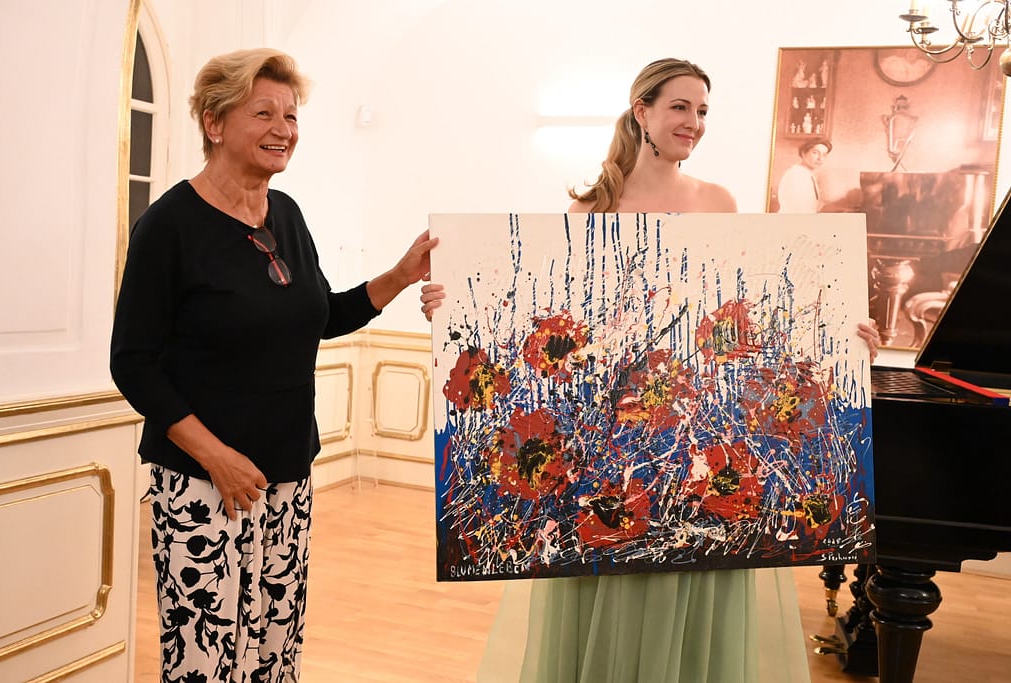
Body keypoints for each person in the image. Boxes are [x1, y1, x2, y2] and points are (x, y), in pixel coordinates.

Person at [421, 58, 879, 683]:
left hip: (702, 429)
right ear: (642, 111)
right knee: (615, 577)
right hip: (614, 438)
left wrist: (843, 340)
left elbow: (748, 315)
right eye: (680, 107)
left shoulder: (719, 202)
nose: (694, 123)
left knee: (694, 576)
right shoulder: (590, 208)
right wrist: (450, 311)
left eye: (703, 111)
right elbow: (551, 323)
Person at [110, 48, 436, 682]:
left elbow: (322, 315)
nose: (283, 128)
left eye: (291, 115)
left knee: (274, 656)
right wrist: (217, 458)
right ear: (214, 122)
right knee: (205, 663)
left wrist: (402, 274)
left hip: (286, 475)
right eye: (264, 113)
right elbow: (133, 364)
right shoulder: (169, 226)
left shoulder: (285, 213)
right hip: (204, 484)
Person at [776, 137, 832, 213]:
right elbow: (797, 210)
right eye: (815, 153)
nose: (820, 158)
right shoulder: (796, 175)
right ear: (803, 153)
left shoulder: (807, 174)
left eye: (824, 155)